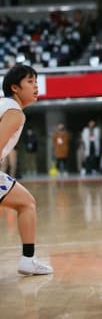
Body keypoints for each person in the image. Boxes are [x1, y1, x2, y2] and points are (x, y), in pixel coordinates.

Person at [0, 64, 53, 275]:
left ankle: (28, 260)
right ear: (15, 87)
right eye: (30, 82)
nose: (36, 86)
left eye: (36, 81)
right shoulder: (14, 112)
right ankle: (28, 260)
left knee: (26, 202)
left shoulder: (4, 105)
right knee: (27, 204)